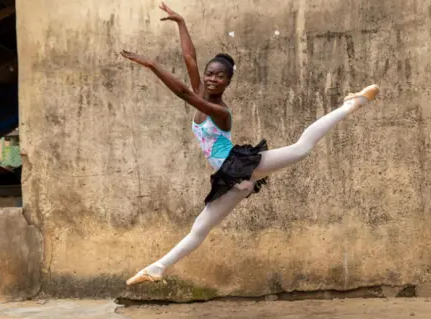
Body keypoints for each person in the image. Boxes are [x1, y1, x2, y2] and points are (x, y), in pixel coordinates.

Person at [120, 2, 380, 285]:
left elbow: (183, 93)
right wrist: (181, 23)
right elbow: (189, 58)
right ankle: (157, 268)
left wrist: (153, 65)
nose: (212, 79)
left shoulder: (220, 112)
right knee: (200, 228)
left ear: (228, 82)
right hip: (230, 180)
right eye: (210, 73)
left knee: (301, 148)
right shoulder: (201, 90)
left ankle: (350, 104)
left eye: (220, 76)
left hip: (237, 164)